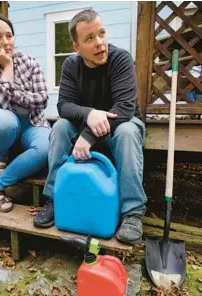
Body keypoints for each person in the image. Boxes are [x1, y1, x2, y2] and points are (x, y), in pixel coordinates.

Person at [33, 9, 147, 245]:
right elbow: (64, 105)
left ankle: (133, 212)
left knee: (127, 132)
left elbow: (125, 108)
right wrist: (90, 114)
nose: (100, 43)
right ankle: (55, 198)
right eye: (89, 39)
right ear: (76, 47)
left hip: (121, 125)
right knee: (61, 127)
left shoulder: (121, 59)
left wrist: (87, 136)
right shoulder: (71, 66)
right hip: (89, 125)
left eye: (102, 34)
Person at [0, 13, 51, 213]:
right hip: (5, 128)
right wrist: (7, 67)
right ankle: (3, 155)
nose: (6, 42)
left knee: (46, 148)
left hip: (32, 124)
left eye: (9, 35)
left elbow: (42, 100)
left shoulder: (28, 61)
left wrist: (10, 90)